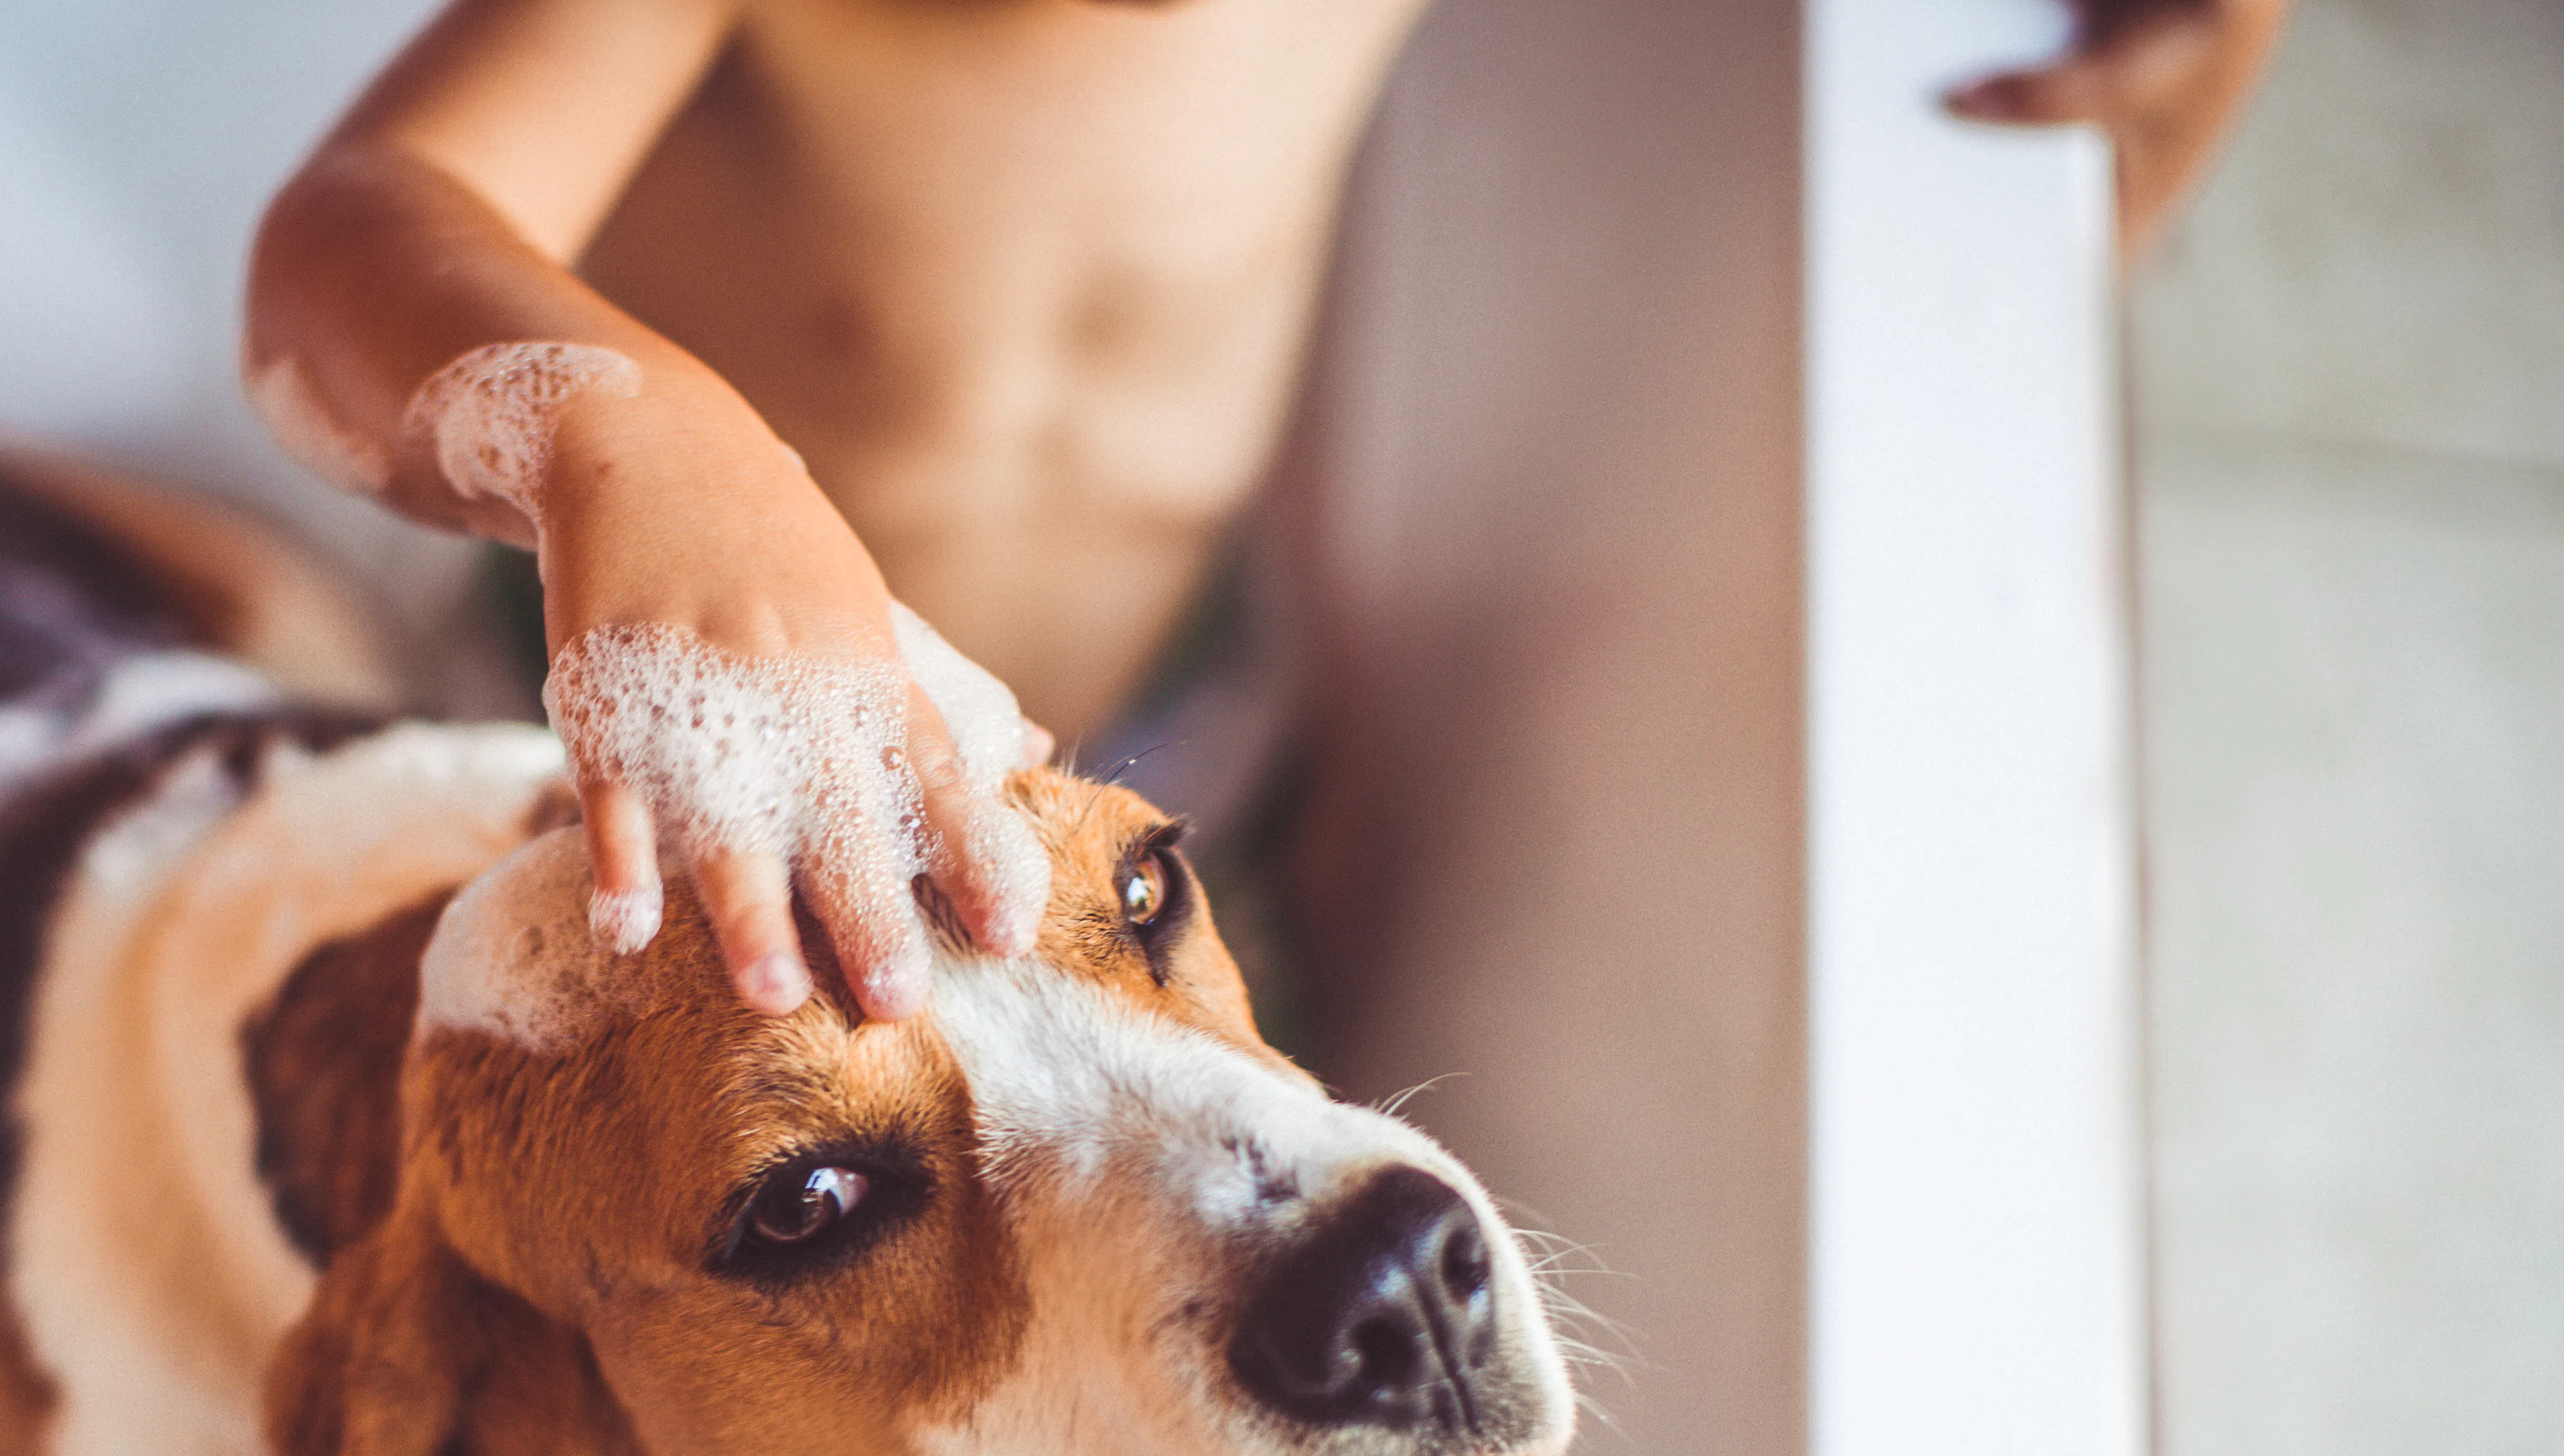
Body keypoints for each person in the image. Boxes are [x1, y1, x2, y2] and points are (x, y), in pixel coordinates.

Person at [242, 0, 2284, 1021]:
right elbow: (345, 241)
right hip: (662, 750)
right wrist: (624, 436)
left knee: (1202, 1139)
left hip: (1175, 710)